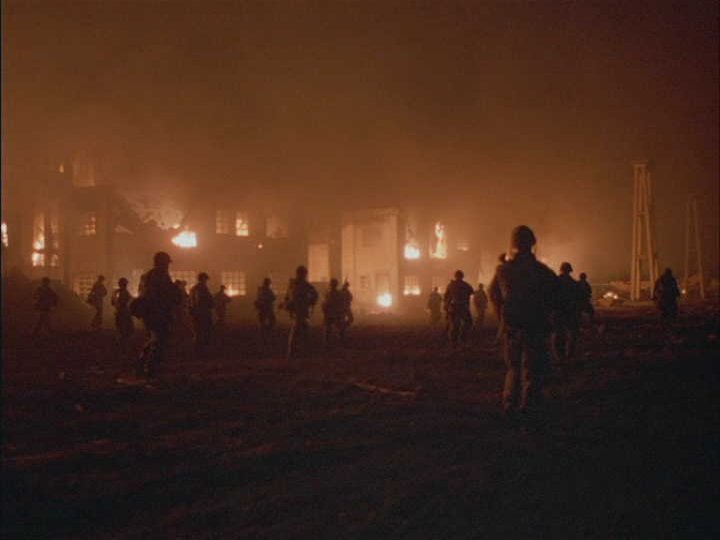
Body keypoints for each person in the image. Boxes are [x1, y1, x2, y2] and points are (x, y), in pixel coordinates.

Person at [489, 225, 557, 423]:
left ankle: (510, 406)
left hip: (512, 327)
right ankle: (529, 409)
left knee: (513, 368)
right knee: (532, 370)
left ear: (514, 244)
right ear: (532, 243)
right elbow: (555, 297)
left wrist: (502, 320)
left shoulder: (503, 271)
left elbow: (494, 296)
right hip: (535, 327)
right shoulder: (543, 272)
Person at [134, 251, 182, 377]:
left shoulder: (147, 275)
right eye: (166, 263)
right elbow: (163, 294)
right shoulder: (160, 275)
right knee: (160, 340)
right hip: (157, 312)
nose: (167, 266)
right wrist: (176, 289)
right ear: (161, 263)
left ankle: (142, 365)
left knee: (154, 339)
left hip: (150, 313)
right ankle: (151, 368)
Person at [283, 265, 318, 360]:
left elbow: (314, 295)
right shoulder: (301, 284)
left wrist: (309, 302)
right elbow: (315, 295)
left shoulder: (296, 284)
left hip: (300, 310)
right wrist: (310, 302)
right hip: (300, 310)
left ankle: (295, 353)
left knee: (301, 331)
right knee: (298, 331)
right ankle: (294, 353)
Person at [553, 262, 581, 363]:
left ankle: (559, 356)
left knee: (558, 334)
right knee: (572, 333)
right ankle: (569, 355)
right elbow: (578, 298)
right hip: (570, 311)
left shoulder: (555, 282)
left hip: (559, 311)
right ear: (570, 270)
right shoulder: (573, 283)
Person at [443, 270, 474, 345]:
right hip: (463, 307)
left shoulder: (451, 285)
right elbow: (472, 292)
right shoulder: (466, 285)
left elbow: (446, 296)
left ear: (455, 276)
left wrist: (446, 306)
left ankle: (454, 340)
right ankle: (462, 337)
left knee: (454, 324)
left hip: (453, 307)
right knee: (468, 322)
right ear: (462, 276)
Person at [189, 272, 214, 357]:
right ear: (203, 279)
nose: (206, 281)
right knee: (204, 331)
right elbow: (203, 300)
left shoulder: (193, 289)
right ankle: (201, 351)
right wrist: (211, 303)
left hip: (196, 313)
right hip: (203, 313)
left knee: (197, 331)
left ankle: (197, 350)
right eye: (205, 279)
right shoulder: (202, 288)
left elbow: (191, 302)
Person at [322, 278, 346, 346]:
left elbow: (325, 303)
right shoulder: (334, 294)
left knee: (331, 328)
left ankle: (329, 342)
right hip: (334, 313)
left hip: (333, 313)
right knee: (336, 327)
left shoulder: (328, 294)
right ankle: (339, 340)